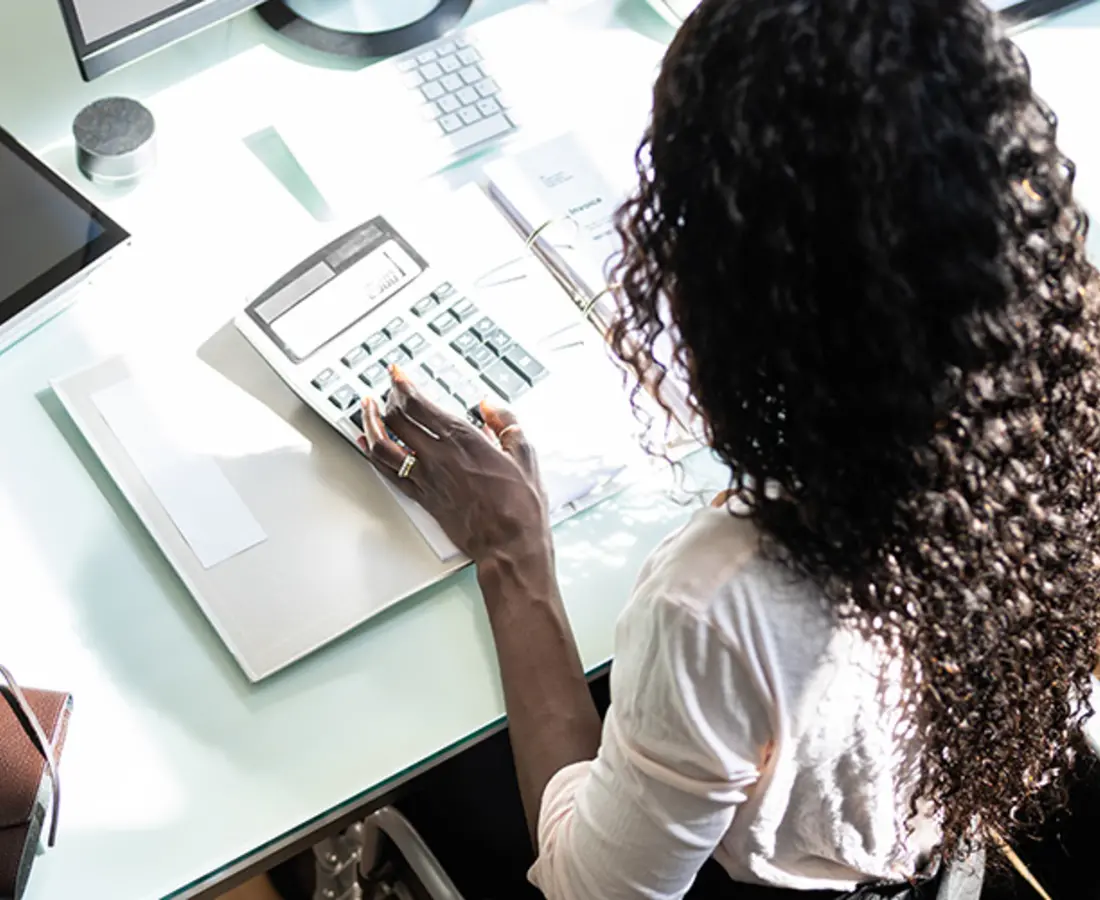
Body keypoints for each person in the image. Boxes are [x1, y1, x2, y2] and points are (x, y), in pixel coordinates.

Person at [357, 0, 1100, 897]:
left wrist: (514, 557)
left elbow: (595, 895)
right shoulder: (1058, 420)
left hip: (747, 874)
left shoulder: (720, 602)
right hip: (933, 845)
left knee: (430, 753)